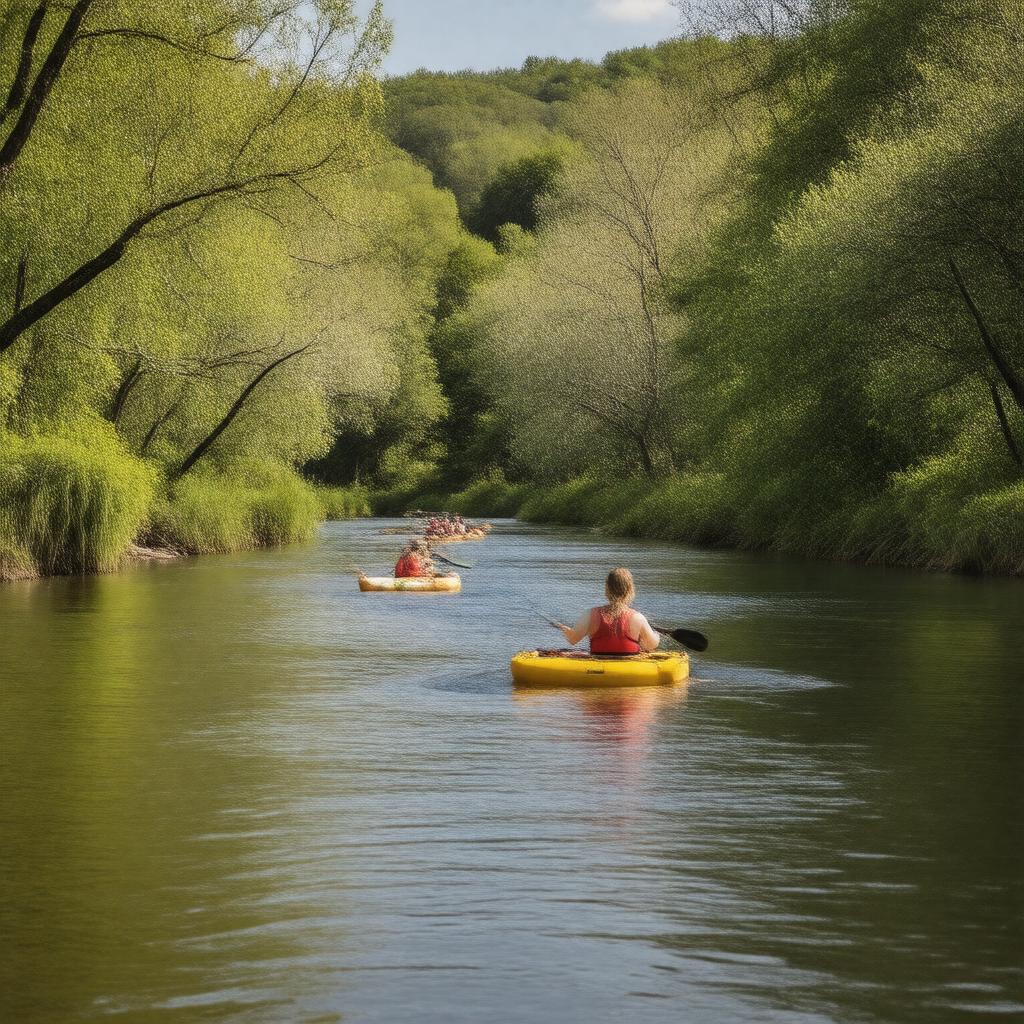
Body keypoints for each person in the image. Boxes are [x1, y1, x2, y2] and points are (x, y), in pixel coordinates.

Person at [558, 568, 660, 654]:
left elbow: (573, 640)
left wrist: (566, 631)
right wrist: (656, 635)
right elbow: (651, 645)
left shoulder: (590, 615)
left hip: (598, 666)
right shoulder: (638, 618)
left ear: (607, 589)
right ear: (630, 590)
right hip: (629, 668)